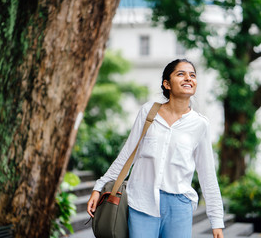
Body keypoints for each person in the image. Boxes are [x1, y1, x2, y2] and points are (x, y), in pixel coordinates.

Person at [87, 59, 224, 238]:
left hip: (179, 206)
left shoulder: (200, 124)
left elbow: (207, 175)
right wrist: (99, 188)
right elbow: (127, 155)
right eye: (181, 74)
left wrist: (217, 221)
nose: (188, 78)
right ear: (166, 84)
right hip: (142, 203)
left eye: (192, 75)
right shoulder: (148, 113)